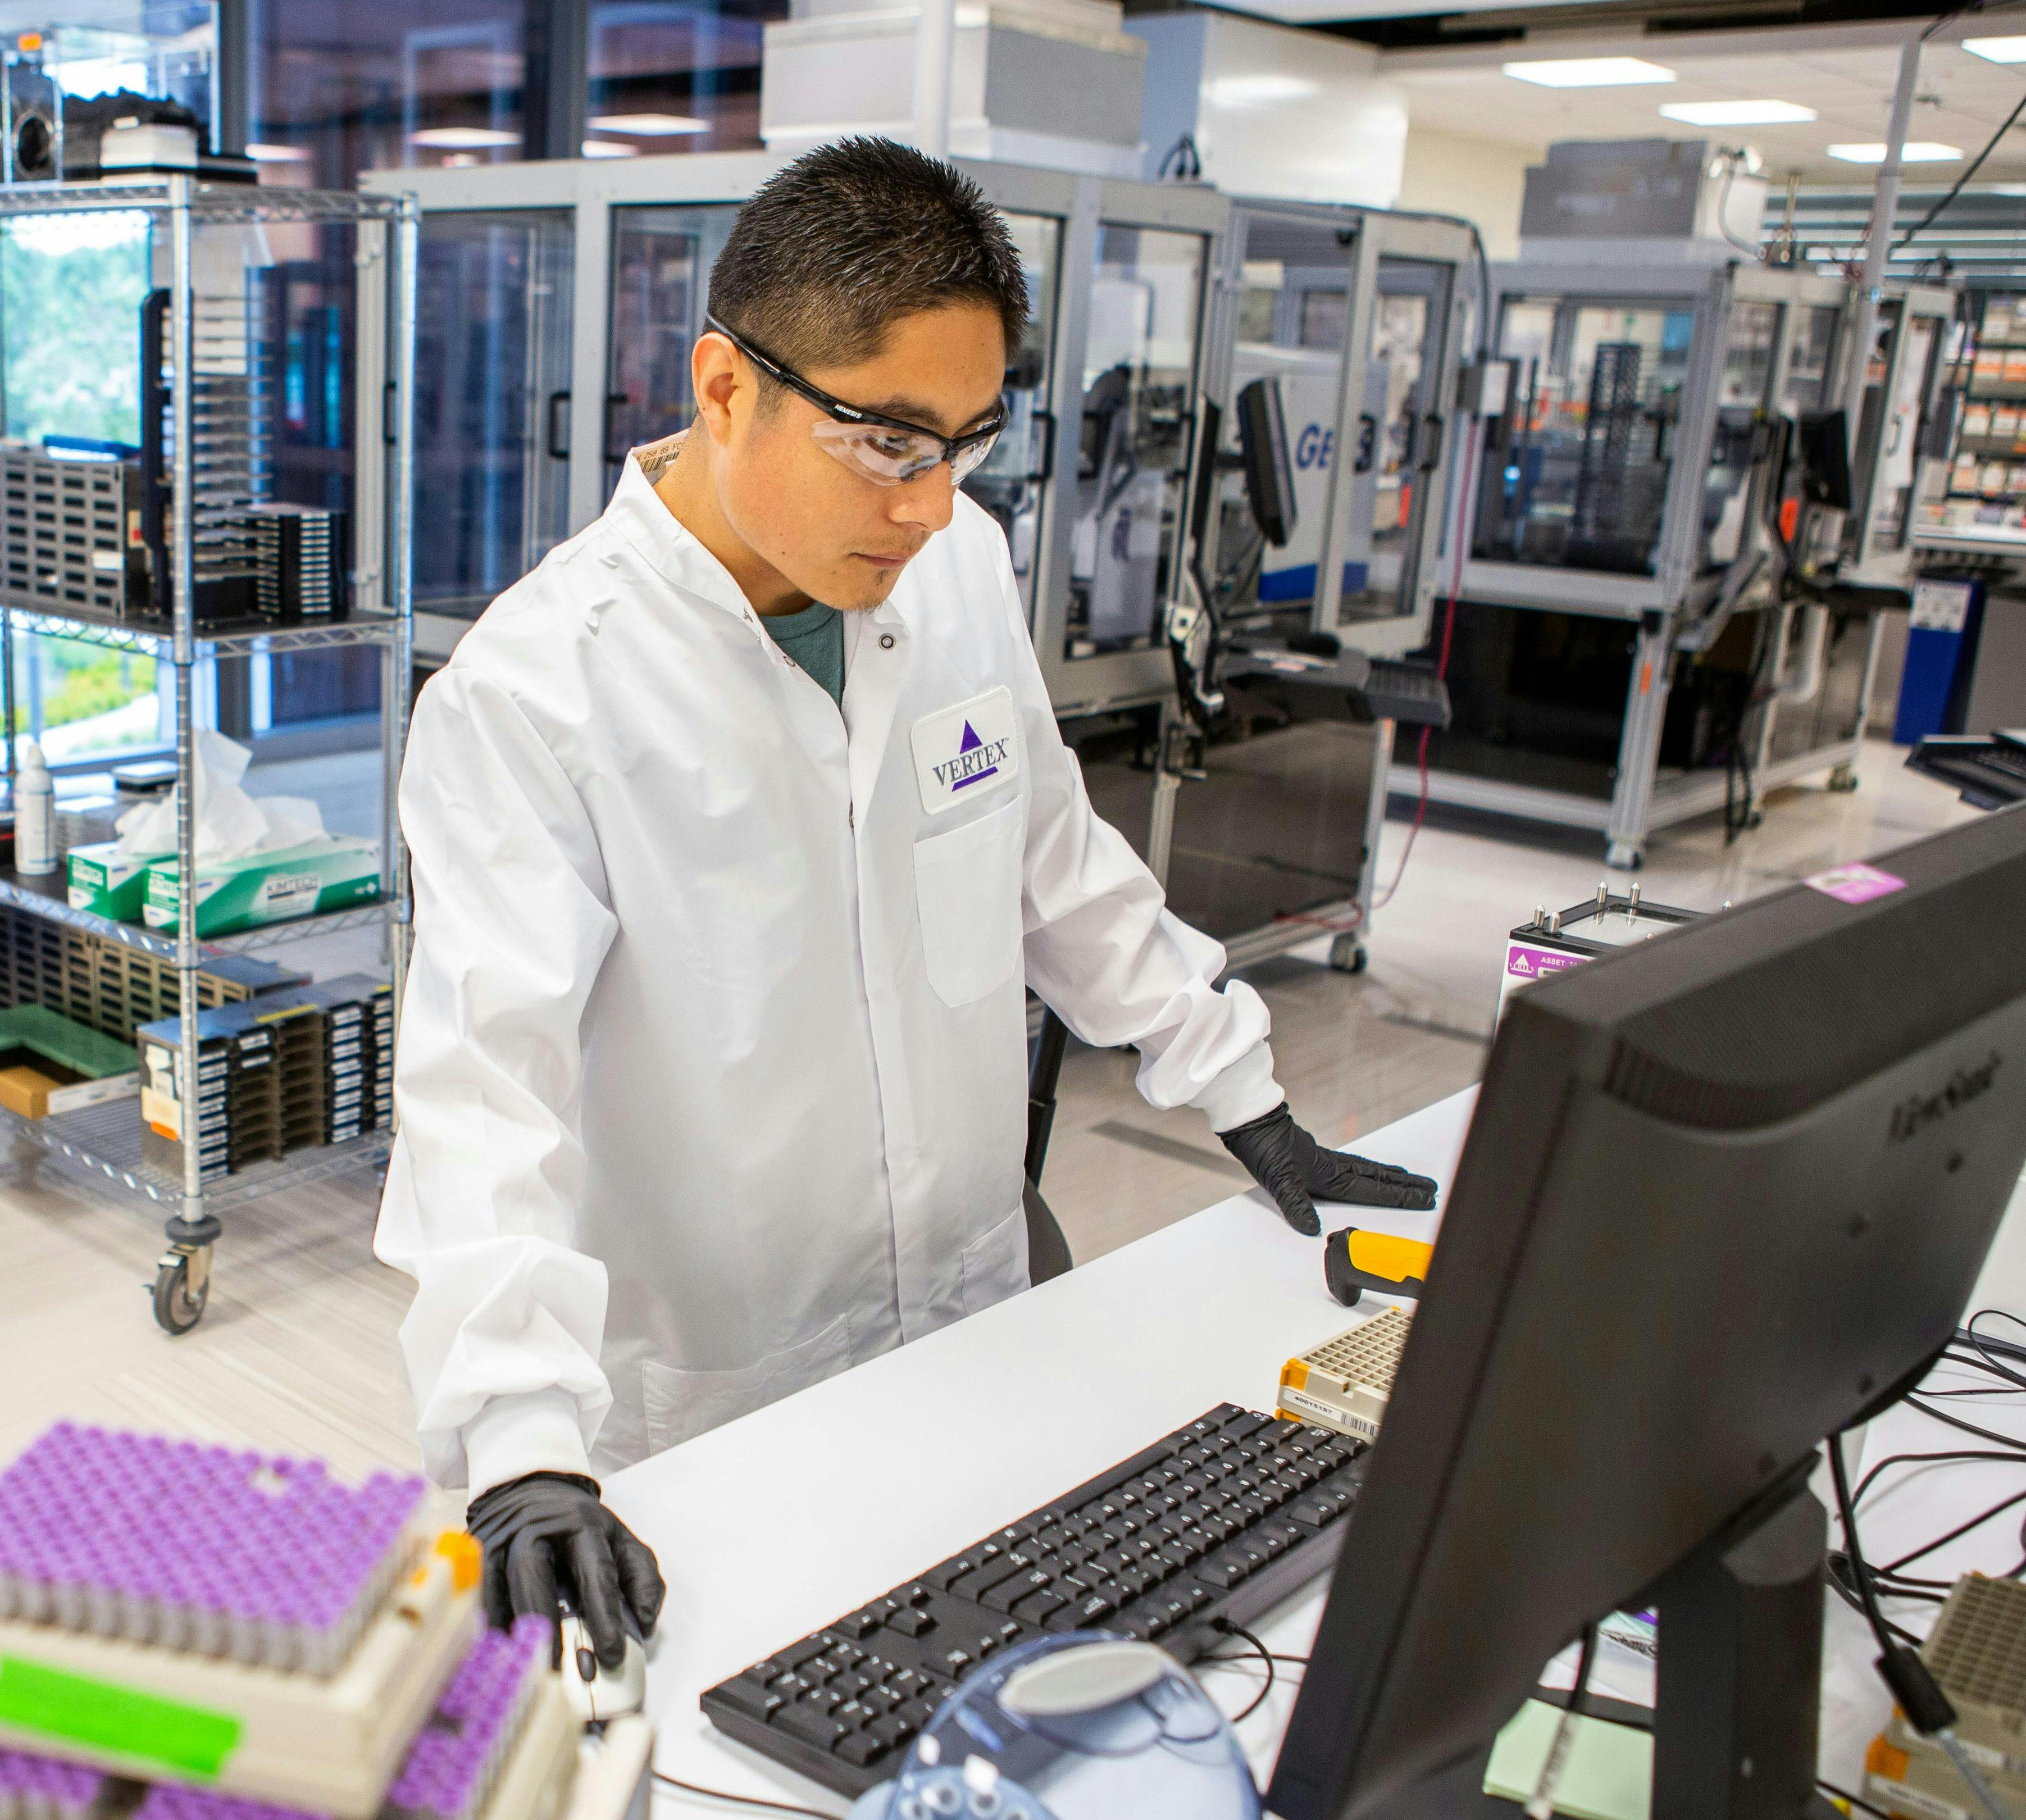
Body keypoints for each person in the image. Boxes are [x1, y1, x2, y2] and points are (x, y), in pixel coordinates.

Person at [375, 139, 1437, 1668]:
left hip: (977, 1332)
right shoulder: (540, 696)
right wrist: (527, 1441)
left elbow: (1051, 861)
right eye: (887, 441)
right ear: (725, 387)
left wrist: (1247, 1099)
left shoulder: (957, 576)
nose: (931, 502)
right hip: (719, 1414)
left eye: (967, 441)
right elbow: (488, 1090)